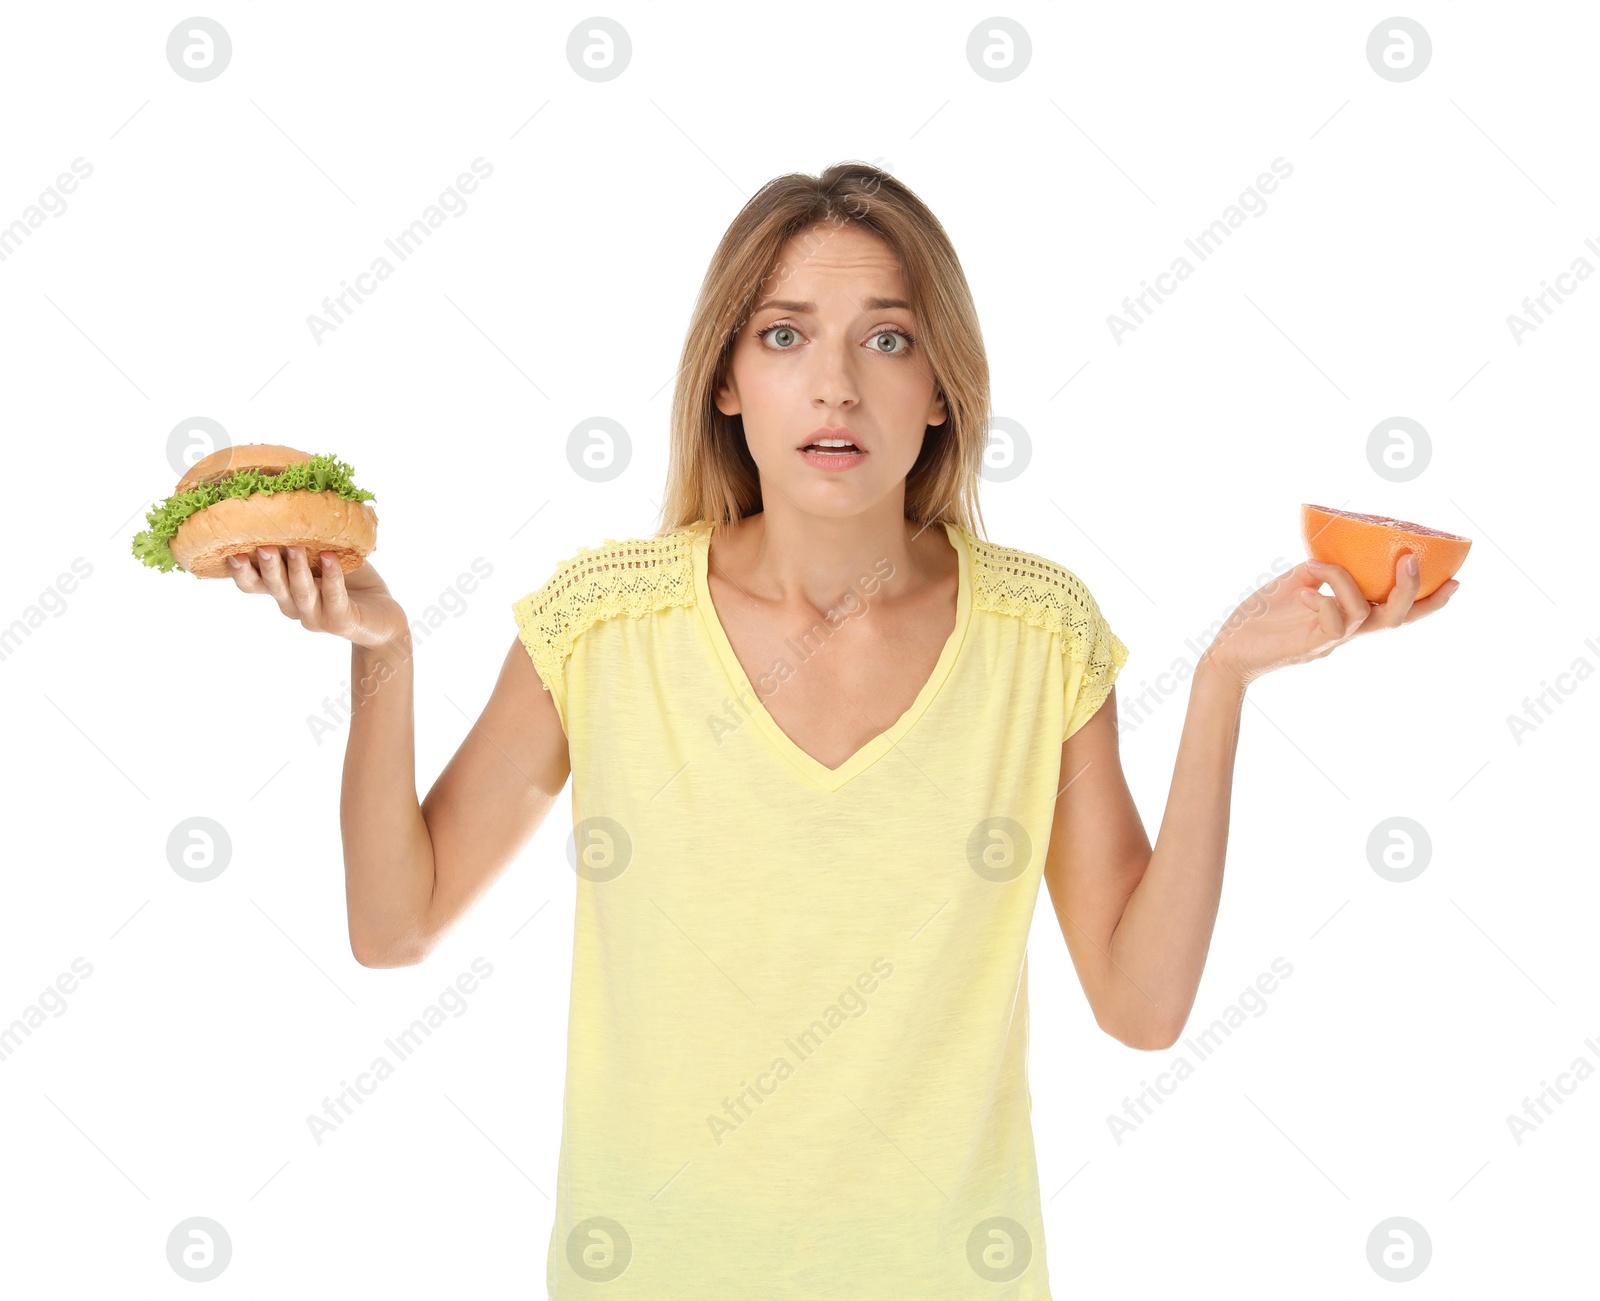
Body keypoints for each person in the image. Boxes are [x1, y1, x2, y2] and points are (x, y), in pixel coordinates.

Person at [222, 162, 1460, 1299]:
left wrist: (1222, 687)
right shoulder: (601, 625)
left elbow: (1139, 1007)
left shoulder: (1039, 637)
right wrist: (382, 659)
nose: (835, 383)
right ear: (726, 379)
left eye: (887, 338)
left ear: (939, 390)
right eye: (783, 336)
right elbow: (393, 925)